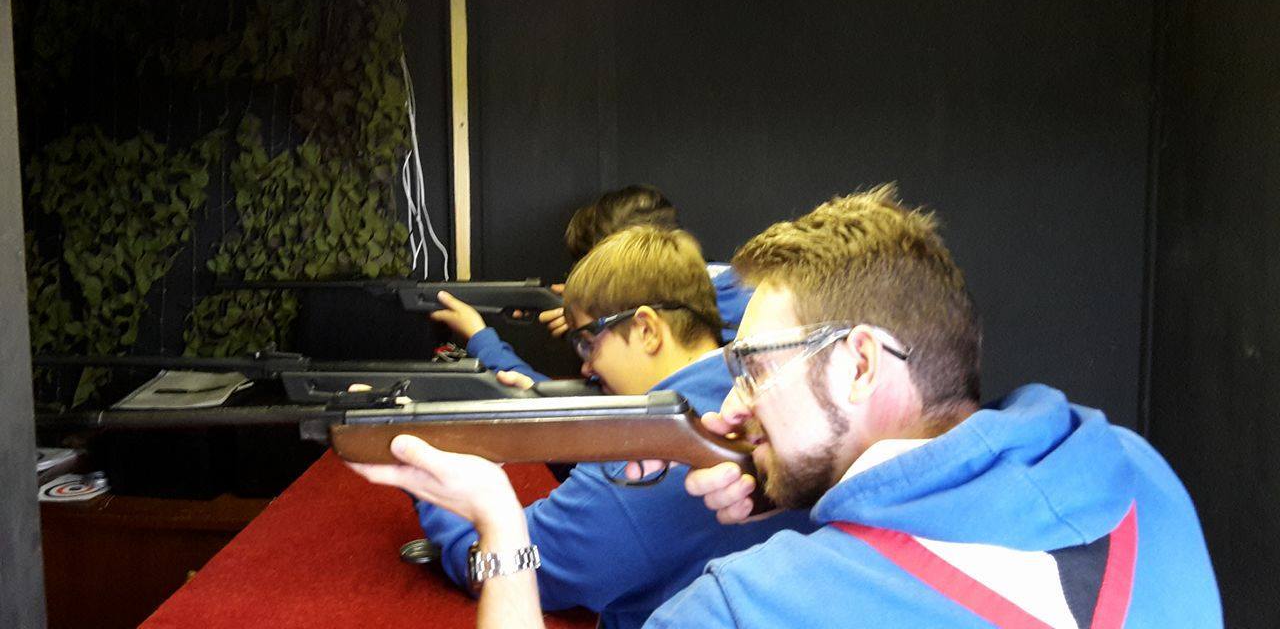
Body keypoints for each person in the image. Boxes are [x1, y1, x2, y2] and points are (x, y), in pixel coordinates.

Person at [363, 185, 1222, 629]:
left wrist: (499, 528)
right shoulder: (1142, 471)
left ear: (859, 363)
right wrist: (801, 484)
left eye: (752, 368)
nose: (728, 404)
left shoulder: (744, 610)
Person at [350, 226, 814, 629]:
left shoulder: (643, 475)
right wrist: (543, 413)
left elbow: (504, 565)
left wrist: (417, 462)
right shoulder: (745, 386)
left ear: (648, 330)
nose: (587, 366)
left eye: (589, 343)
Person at [431, 185, 751, 383]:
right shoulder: (731, 288)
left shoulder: (742, 321)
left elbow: (593, 425)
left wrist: (481, 339)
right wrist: (590, 323)